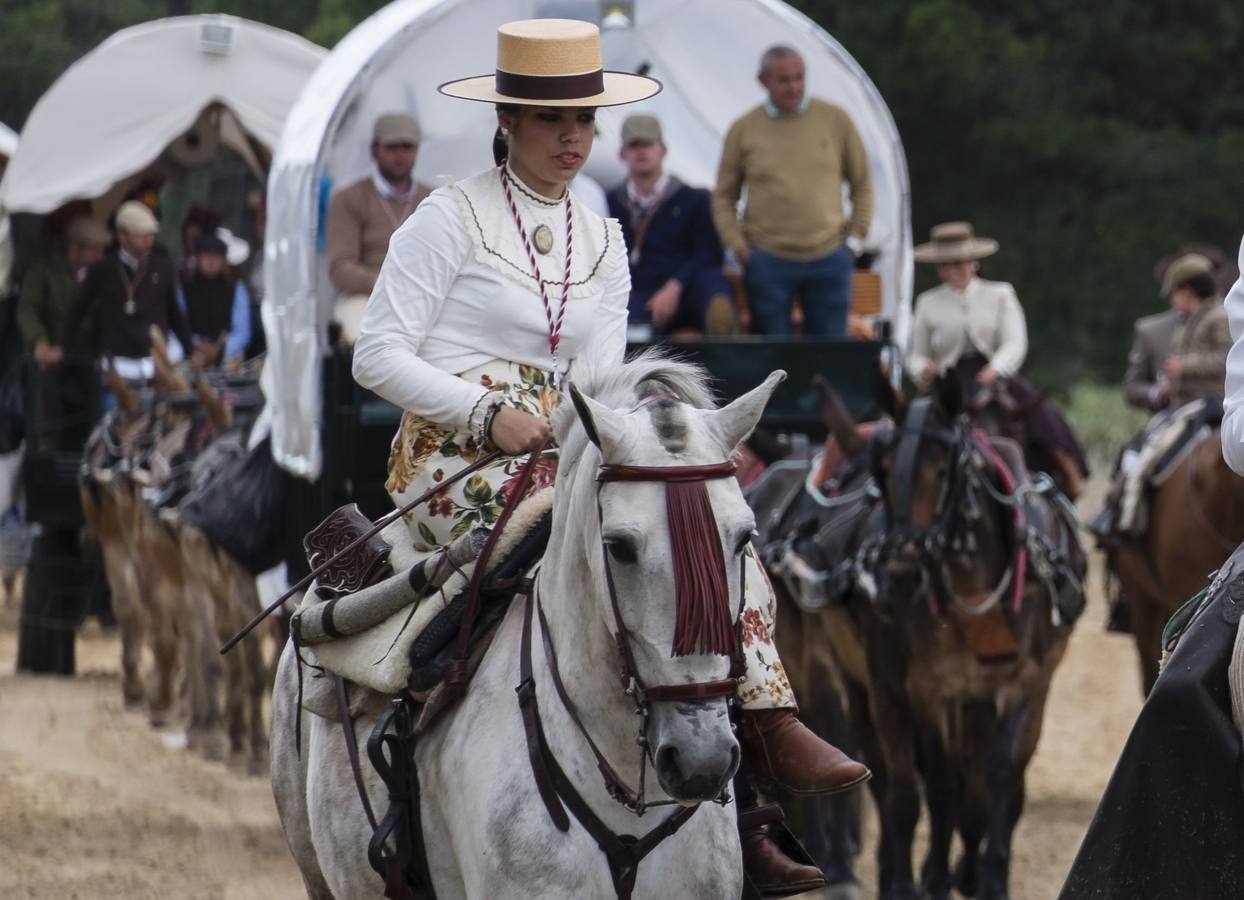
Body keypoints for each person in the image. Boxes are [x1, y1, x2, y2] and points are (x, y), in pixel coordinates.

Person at [352, 18, 869, 894]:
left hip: (576, 449)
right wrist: (486, 414)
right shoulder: (446, 217)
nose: (572, 138)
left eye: (583, 120)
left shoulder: (602, 235)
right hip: (456, 458)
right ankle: (409, 762)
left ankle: (758, 748)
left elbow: (602, 373)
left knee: (703, 537)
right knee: (511, 551)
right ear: (508, 121)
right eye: (553, 120)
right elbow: (377, 354)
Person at [907, 221, 1089, 498]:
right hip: (949, 381)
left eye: (958, 263)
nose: (951, 270)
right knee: (912, 426)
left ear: (973, 263)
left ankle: (1068, 470)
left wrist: (997, 367)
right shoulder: (927, 302)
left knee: (1040, 414)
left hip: (994, 375)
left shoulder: (1000, 294)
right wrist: (923, 368)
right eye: (945, 265)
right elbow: (915, 353)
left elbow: (1015, 341)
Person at [712, 45, 874, 337]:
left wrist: (853, 242)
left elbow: (862, 184)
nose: (794, 86)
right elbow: (723, 195)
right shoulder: (744, 129)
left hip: (829, 258)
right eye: (784, 79)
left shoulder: (836, 119)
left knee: (829, 356)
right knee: (773, 358)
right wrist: (739, 247)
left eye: (799, 77)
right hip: (767, 261)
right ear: (763, 80)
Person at [1115, 253, 1231, 535]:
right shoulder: (1194, 318)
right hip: (1182, 406)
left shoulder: (1218, 316)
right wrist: (1167, 386)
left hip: (1208, 406)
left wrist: (1184, 367)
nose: (1171, 301)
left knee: (1149, 458)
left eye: (1173, 293)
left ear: (1186, 291)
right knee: (1136, 453)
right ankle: (1119, 515)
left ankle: (1129, 521)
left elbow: (1230, 357)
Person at [606, 114, 734, 337]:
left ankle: (719, 322)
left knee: (713, 283)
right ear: (622, 154)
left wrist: (676, 285)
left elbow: (708, 253)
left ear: (663, 149)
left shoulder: (695, 198)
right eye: (634, 145)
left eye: (648, 143)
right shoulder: (611, 202)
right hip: (640, 295)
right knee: (626, 321)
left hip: (687, 289)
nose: (641, 151)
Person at [62, 201, 199, 386]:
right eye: (142, 235)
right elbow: (78, 311)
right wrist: (64, 348)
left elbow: (175, 313)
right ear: (122, 236)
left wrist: (191, 351)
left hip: (157, 364)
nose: (149, 240)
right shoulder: (103, 270)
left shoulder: (163, 266)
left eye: (151, 235)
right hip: (118, 365)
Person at [326, 112, 433, 345]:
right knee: (369, 337)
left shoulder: (433, 197)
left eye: (407, 147)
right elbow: (340, 267)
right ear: (375, 149)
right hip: (365, 297)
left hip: (424, 297)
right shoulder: (350, 198)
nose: (400, 155)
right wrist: (388, 285)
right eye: (392, 147)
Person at [17, 217, 111, 367]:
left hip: (92, 356)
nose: (101, 256)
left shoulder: (102, 273)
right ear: (75, 248)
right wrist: (39, 341)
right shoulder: (45, 269)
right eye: (95, 251)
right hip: (55, 352)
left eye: (102, 251)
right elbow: (28, 308)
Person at [179, 230, 251, 367]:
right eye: (206, 256)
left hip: (227, 358)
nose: (211, 262)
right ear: (198, 257)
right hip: (193, 356)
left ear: (224, 260)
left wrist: (219, 350)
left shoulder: (236, 288)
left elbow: (242, 332)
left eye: (216, 257)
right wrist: (196, 345)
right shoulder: (185, 287)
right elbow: (179, 324)